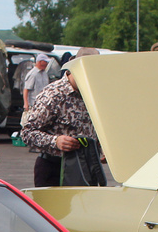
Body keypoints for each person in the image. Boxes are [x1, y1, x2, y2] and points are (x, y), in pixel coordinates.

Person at [20, 47, 101, 186]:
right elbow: (27, 133)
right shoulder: (54, 94)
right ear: (75, 69)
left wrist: (102, 149)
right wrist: (55, 141)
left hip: (86, 168)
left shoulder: (94, 94)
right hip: (54, 169)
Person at [22, 55, 50, 121]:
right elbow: (26, 89)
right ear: (40, 62)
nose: (47, 64)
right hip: (34, 104)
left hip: (43, 103)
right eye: (45, 62)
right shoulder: (33, 74)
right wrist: (26, 104)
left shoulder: (45, 73)